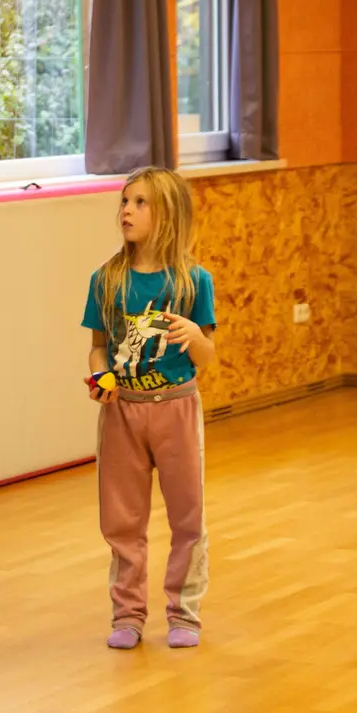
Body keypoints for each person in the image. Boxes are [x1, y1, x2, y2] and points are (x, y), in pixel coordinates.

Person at [81, 167, 217, 650]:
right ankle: (128, 615)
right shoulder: (107, 279)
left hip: (177, 411)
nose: (126, 211)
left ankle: (184, 612)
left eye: (140, 203)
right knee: (122, 520)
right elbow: (99, 347)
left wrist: (196, 337)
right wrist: (101, 377)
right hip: (123, 414)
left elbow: (207, 357)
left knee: (187, 516)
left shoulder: (194, 280)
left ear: (168, 215)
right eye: (124, 201)